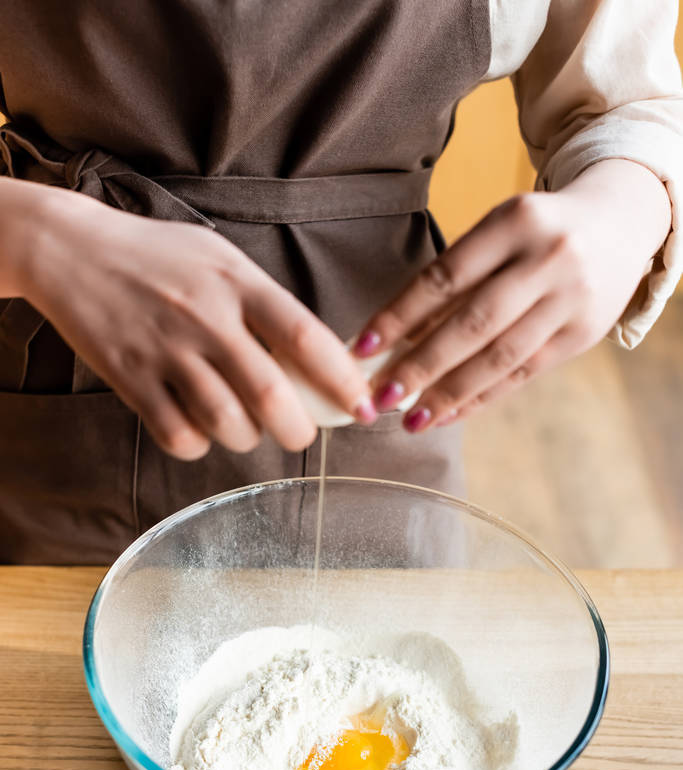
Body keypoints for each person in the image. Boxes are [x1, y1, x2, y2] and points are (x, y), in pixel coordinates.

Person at [0, 0, 681, 564]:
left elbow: (630, 104)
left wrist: (625, 207)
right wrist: (34, 237)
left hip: (380, 399)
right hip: (64, 394)